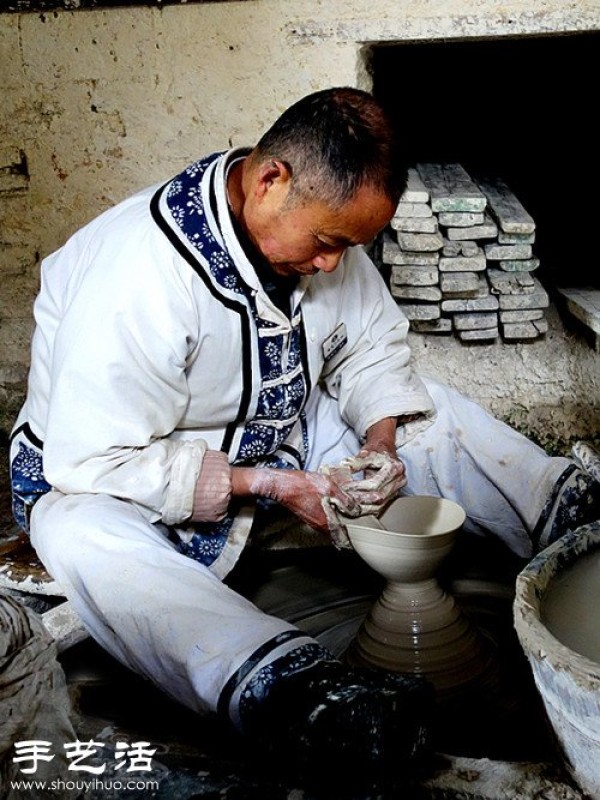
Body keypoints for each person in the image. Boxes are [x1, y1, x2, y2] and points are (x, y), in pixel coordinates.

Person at [8, 87, 600, 789]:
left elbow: (371, 350)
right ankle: (296, 694)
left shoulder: (315, 230)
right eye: (326, 244)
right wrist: (268, 485)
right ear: (269, 181)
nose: (332, 264)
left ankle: (568, 516)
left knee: (429, 414)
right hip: (111, 472)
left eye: (347, 248)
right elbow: (93, 456)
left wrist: (380, 443)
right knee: (88, 539)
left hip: (275, 429)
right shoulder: (136, 276)